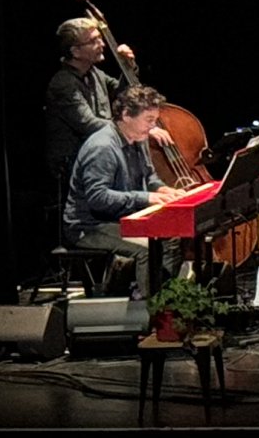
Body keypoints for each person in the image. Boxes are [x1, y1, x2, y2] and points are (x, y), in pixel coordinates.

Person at [62, 88, 175, 291]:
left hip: (122, 218)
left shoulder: (138, 138)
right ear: (126, 115)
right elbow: (98, 198)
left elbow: (149, 176)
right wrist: (145, 197)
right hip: (89, 226)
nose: (153, 126)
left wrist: (163, 189)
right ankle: (149, 306)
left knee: (173, 236)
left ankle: (167, 297)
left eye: (155, 120)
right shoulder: (103, 147)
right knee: (148, 249)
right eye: (149, 120)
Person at [45, 13, 140, 209]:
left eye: (100, 38)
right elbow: (89, 124)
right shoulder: (63, 84)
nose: (102, 44)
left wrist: (127, 67)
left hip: (98, 155)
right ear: (76, 51)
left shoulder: (95, 73)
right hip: (75, 165)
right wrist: (135, 128)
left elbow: (123, 93)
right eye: (94, 41)